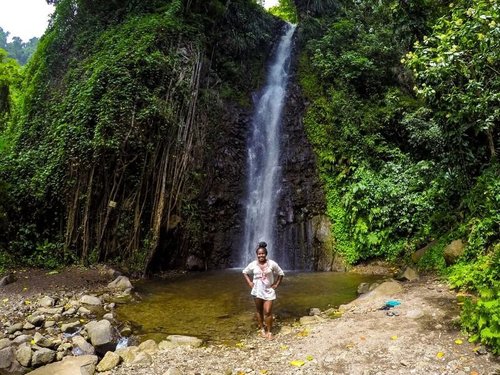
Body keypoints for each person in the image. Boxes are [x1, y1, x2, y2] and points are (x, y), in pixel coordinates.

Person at [242, 241, 284, 340]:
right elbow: (244, 272)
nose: (261, 255)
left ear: (266, 254)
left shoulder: (272, 263)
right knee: (259, 310)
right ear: (257, 255)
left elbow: (281, 273)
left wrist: (277, 284)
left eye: (263, 253)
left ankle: (269, 332)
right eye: (259, 254)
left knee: (268, 311)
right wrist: (249, 283)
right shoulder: (253, 264)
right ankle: (262, 329)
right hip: (257, 291)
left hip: (268, 290)